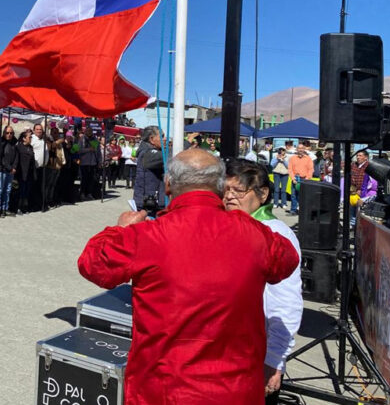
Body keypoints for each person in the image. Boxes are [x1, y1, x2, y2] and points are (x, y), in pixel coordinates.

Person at [78, 149, 300, 405]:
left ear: (168, 185)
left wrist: (120, 229)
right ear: (220, 187)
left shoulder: (146, 236)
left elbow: (92, 264)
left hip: (163, 390)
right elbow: (287, 260)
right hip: (234, 389)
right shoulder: (255, 234)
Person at [224, 159, 304, 403]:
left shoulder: (276, 234)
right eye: (225, 189)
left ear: (263, 194)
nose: (229, 196)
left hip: (255, 353)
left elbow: (286, 302)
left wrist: (274, 359)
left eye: (238, 190)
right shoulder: (223, 226)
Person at [133, 126, 165, 213]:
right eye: (162, 136)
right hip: (149, 204)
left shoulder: (152, 151)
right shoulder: (147, 153)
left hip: (153, 202)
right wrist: (186, 143)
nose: (165, 139)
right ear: (151, 139)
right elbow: (168, 155)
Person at [0, 125, 18, 217]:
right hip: (1, 169)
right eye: (7, 133)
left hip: (11, 170)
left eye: (11, 133)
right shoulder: (0, 142)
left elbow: (17, 156)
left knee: (7, 190)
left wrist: (14, 167)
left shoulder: (14, 142)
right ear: (4, 133)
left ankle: (4, 208)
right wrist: (9, 167)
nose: (9, 135)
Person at [287, 141, 314, 215]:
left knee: (303, 196)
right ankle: (293, 210)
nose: (300, 150)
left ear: (304, 149)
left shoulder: (308, 159)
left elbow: (311, 169)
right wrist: (293, 178)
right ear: (297, 149)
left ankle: (303, 210)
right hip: (295, 178)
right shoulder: (292, 158)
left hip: (304, 179)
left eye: (302, 148)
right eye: (299, 148)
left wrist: (307, 179)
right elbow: (290, 169)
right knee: (293, 195)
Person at [45, 127, 66, 208]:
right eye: (54, 133)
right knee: (48, 184)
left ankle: (51, 199)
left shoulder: (59, 142)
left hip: (58, 166)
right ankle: (46, 200)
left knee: (54, 184)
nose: (56, 134)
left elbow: (62, 153)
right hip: (51, 165)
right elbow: (50, 147)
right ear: (51, 133)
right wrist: (56, 142)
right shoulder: (49, 140)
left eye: (57, 133)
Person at [15, 130, 35, 214]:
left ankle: (24, 206)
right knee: (21, 190)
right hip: (21, 172)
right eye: (29, 137)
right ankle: (18, 207)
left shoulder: (30, 147)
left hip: (29, 173)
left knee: (27, 191)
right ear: (24, 138)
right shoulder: (19, 147)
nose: (31, 139)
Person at [77, 126, 100, 200]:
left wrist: (99, 161)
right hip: (84, 162)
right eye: (88, 131)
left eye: (91, 131)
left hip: (93, 162)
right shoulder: (82, 139)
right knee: (84, 179)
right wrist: (88, 149)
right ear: (85, 131)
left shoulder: (95, 139)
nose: (89, 132)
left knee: (91, 179)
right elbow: (78, 150)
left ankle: (89, 193)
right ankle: (82, 193)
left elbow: (98, 152)